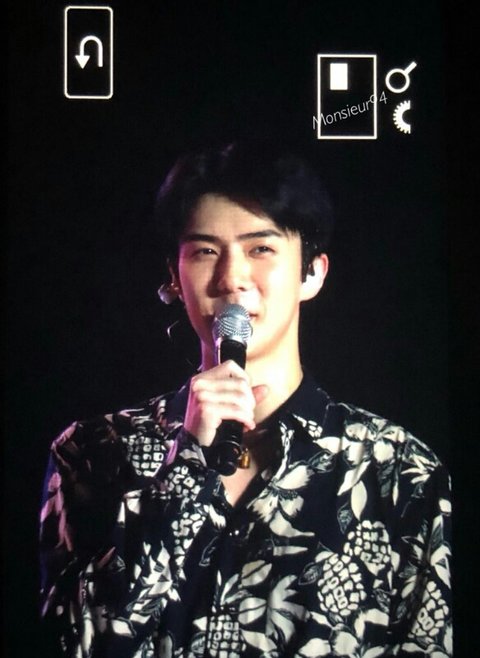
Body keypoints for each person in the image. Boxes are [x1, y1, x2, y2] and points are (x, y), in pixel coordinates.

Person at [39, 141, 452, 658]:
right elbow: (80, 640)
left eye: (261, 249)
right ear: (174, 276)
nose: (231, 279)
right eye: (205, 251)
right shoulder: (92, 452)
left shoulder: (398, 470)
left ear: (312, 272)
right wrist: (188, 464)